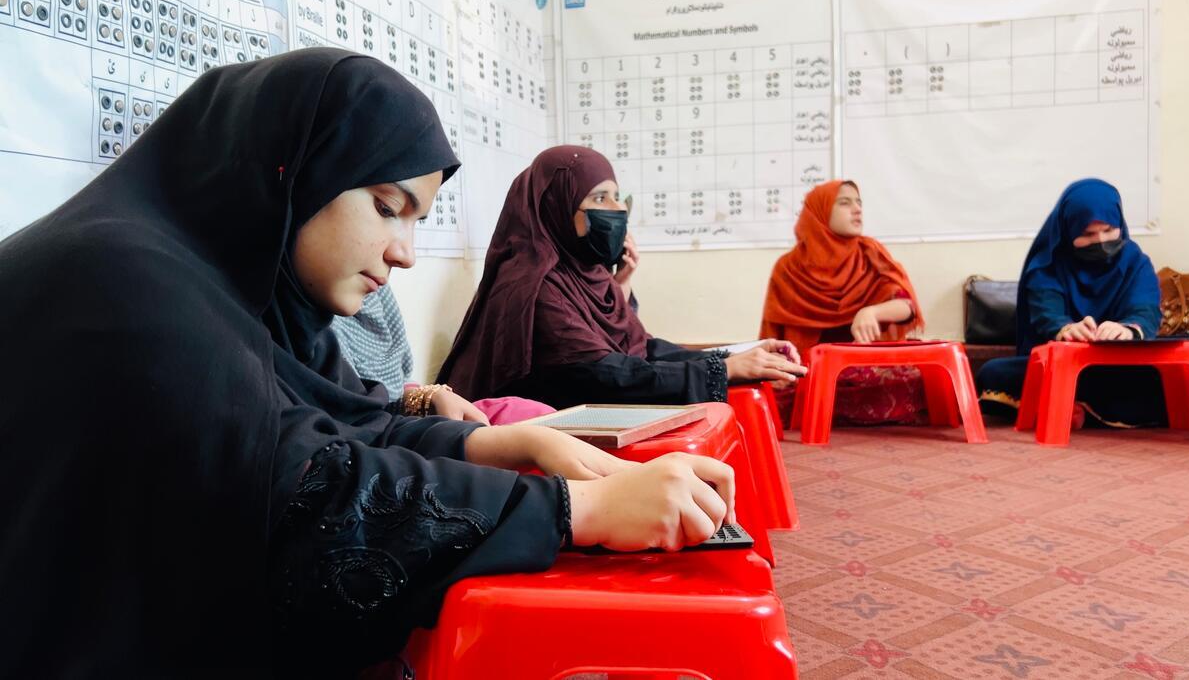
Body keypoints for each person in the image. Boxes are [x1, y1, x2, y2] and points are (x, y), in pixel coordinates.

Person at [0, 50, 738, 677]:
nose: (405, 252)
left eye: (417, 220)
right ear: (299, 171)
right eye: (387, 207)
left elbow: (341, 420)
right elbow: (302, 494)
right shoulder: (118, 282)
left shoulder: (245, 288)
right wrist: (578, 510)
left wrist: (505, 442)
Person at [437, 145, 805, 409]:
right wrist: (722, 370)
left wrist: (734, 354)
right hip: (531, 438)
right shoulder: (533, 284)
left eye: (618, 198)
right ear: (558, 209)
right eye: (599, 199)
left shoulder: (586, 275)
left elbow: (642, 350)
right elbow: (603, 374)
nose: (617, 211)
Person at [976, 178, 1164, 426]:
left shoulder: (1135, 262)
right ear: (1068, 230)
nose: (1100, 240)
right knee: (994, 374)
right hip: (1061, 365)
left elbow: (1145, 310)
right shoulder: (1047, 264)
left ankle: (1066, 408)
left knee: (1170, 378)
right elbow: (1047, 314)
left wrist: (1127, 329)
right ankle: (1095, 412)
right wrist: (1067, 329)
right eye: (1087, 234)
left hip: (1118, 366)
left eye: (1108, 230)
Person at [760, 179, 927, 425]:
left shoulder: (869, 253)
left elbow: (906, 307)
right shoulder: (789, 268)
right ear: (819, 213)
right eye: (845, 203)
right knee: (774, 393)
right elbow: (777, 341)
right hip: (811, 371)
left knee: (912, 378)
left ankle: (824, 410)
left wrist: (872, 312)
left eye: (859, 202)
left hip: (866, 365)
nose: (857, 209)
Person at [331, 284, 554, 424]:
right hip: (385, 439)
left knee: (528, 413)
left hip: (405, 422)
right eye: (385, 210)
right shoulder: (531, 282)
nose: (406, 256)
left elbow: (395, 384)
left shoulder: (376, 292)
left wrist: (426, 396)